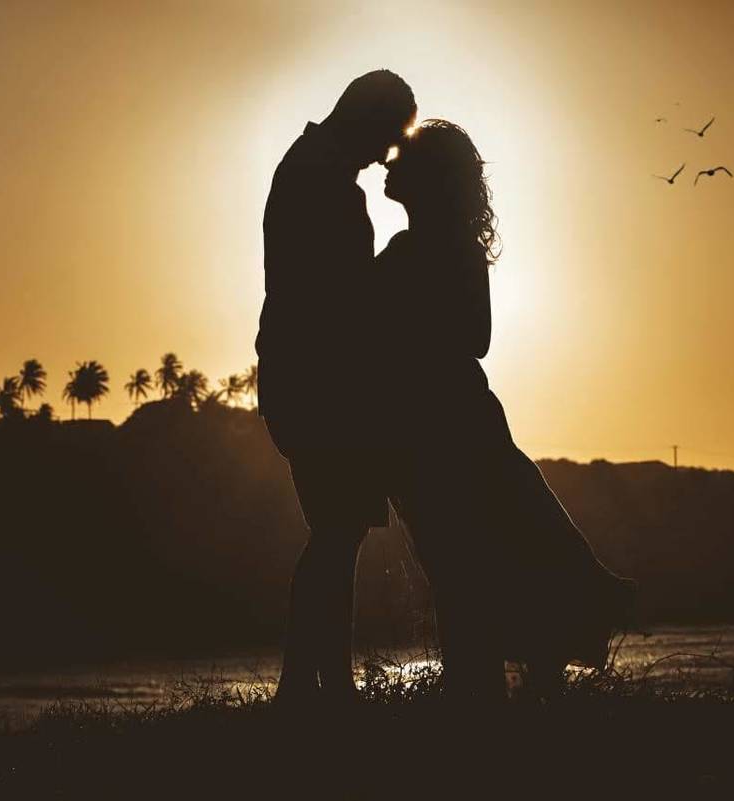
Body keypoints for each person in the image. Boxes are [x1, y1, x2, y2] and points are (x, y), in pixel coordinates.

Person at [378, 120, 637, 700]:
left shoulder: (426, 253)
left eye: (401, 160)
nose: (387, 166)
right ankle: (498, 689)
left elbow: (475, 338)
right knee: (469, 558)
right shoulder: (426, 251)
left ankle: (480, 697)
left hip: (447, 425)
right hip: (443, 422)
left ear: (428, 179)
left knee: (458, 564)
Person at [256, 70, 416, 704]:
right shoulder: (318, 179)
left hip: (311, 375)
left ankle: (322, 684)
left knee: (337, 532)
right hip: (318, 380)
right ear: (365, 119)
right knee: (335, 533)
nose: (386, 155)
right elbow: (335, 297)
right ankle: (307, 686)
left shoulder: (312, 168)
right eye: (388, 136)